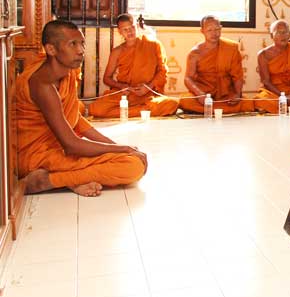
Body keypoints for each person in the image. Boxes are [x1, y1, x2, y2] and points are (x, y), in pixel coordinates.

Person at [17, 20, 148, 197]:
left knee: (132, 159)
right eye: (73, 44)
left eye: (82, 43)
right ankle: (46, 181)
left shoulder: (68, 71)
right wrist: (123, 149)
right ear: (51, 49)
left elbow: (75, 119)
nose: (81, 50)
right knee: (133, 167)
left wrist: (114, 145)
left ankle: (70, 179)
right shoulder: (42, 84)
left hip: (57, 149)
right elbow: (72, 146)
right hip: (33, 156)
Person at [87, 13, 179, 118]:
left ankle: (128, 111)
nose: (129, 32)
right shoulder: (117, 51)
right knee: (95, 109)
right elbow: (106, 79)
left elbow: (162, 71)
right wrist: (123, 87)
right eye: (125, 30)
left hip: (147, 93)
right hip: (126, 94)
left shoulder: (154, 45)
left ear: (137, 26)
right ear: (119, 31)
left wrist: (148, 87)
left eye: (132, 28)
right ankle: (143, 111)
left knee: (172, 104)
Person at [178, 15, 254, 114]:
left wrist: (237, 94)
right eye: (209, 30)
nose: (214, 33)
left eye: (217, 29)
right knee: (186, 102)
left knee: (247, 103)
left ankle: (213, 109)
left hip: (226, 95)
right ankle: (218, 110)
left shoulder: (231, 48)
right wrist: (200, 94)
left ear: (221, 28)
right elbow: (188, 78)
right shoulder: (195, 53)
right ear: (202, 31)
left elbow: (237, 76)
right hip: (204, 93)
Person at [254, 20, 290, 113]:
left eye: (286, 32)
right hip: (275, 93)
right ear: (271, 35)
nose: (283, 35)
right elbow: (266, 81)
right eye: (279, 32)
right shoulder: (263, 55)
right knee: (262, 101)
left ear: (289, 35)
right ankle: (289, 108)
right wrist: (283, 97)